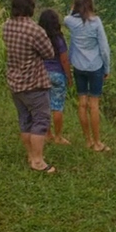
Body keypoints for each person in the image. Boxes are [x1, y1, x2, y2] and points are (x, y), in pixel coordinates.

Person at [3, 0, 57, 173]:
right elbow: (49, 53)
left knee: (25, 120)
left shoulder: (7, 25)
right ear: (31, 7)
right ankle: (38, 161)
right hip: (34, 83)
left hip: (15, 82)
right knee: (41, 120)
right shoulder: (35, 30)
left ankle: (31, 155)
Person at [65, 0, 112, 152]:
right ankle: (98, 142)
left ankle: (88, 140)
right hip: (95, 66)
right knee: (94, 105)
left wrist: (73, 9)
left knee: (82, 103)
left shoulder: (70, 21)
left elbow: (68, 15)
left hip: (78, 66)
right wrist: (107, 67)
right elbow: (104, 49)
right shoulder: (96, 22)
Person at [38, 9, 73, 145]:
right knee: (57, 107)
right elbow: (64, 59)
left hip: (42, 75)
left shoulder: (40, 38)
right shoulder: (59, 38)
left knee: (45, 106)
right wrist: (69, 77)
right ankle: (58, 136)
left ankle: (47, 134)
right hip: (57, 74)